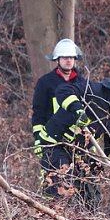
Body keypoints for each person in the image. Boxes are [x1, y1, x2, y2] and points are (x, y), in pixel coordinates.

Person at [37, 71, 110, 205]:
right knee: (61, 187)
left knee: (91, 195)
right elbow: (63, 90)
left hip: (80, 151)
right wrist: (77, 109)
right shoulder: (94, 91)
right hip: (55, 143)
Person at [31, 39, 86, 175]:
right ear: (57, 59)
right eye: (65, 57)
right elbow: (39, 113)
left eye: (71, 58)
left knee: (84, 182)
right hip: (53, 139)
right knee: (57, 179)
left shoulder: (82, 82)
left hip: (77, 140)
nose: (69, 61)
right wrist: (39, 138)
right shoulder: (45, 83)